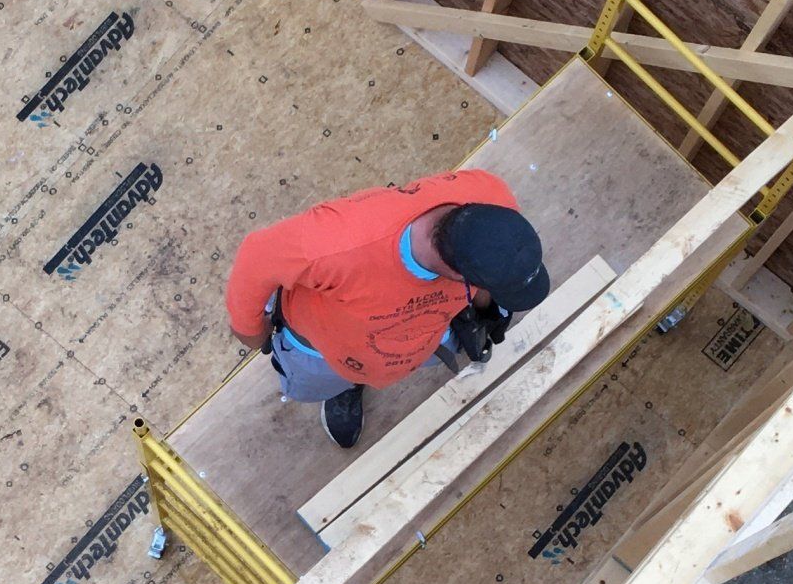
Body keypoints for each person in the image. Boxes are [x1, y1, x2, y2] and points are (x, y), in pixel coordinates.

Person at [224, 169, 551, 448]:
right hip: (321, 353)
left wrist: (486, 310)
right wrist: (251, 330)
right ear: (456, 274)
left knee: (406, 357)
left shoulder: (490, 194)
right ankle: (345, 388)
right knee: (330, 378)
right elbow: (256, 256)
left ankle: (372, 372)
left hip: (418, 337)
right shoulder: (337, 243)